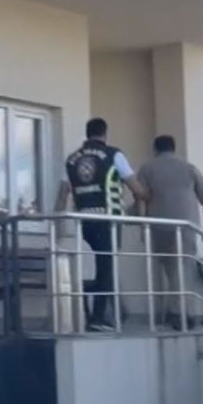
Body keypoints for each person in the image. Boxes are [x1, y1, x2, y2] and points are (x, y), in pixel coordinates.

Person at [55, 118, 147, 331]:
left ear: (87, 133)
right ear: (105, 133)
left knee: (99, 268)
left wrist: (56, 226)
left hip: (84, 222)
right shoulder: (114, 155)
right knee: (105, 267)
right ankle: (98, 318)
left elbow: (61, 196)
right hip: (108, 221)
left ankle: (115, 312)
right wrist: (146, 197)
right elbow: (136, 188)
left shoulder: (72, 159)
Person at [136, 135, 203, 331]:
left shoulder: (147, 168)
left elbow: (141, 200)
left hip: (159, 226)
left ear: (155, 149)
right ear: (174, 148)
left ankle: (175, 313)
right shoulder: (190, 168)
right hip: (187, 227)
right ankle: (182, 313)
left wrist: (142, 226)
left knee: (169, 271)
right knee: (183, 270)